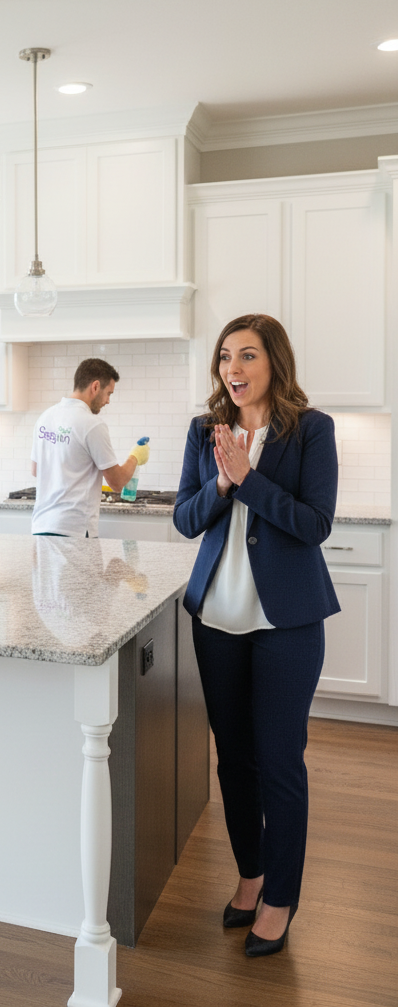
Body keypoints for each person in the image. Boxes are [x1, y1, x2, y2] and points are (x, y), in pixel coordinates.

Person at [173, 313, 340, 957]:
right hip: (217, 619)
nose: (232, 370)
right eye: (224, 358)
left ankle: (280, 897)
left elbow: (315, 523)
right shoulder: (202, 431)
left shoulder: (310, 430)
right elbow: (187, 520)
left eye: (246, 356)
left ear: (274, 362)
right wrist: (220, 480)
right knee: (234, 760)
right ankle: (251, 877)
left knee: (278, 762)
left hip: (287, 624)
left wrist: (250, 479)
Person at [30, 358, 151, 536]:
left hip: (41, 527)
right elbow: (117, 482)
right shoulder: (92, 424)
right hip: (74, 530)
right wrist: (135, 456)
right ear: (95, 387)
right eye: (108, 393)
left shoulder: (45, 417)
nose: (108, 401)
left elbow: (36, 470)